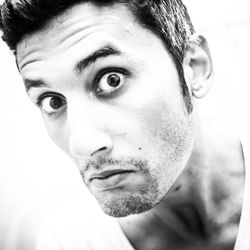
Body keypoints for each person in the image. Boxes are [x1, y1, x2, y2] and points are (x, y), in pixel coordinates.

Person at [0, 0, 249, 249]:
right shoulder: (71, 242)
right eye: (53, 102)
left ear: (194, 67)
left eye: (111, 80)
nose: (82, 144)